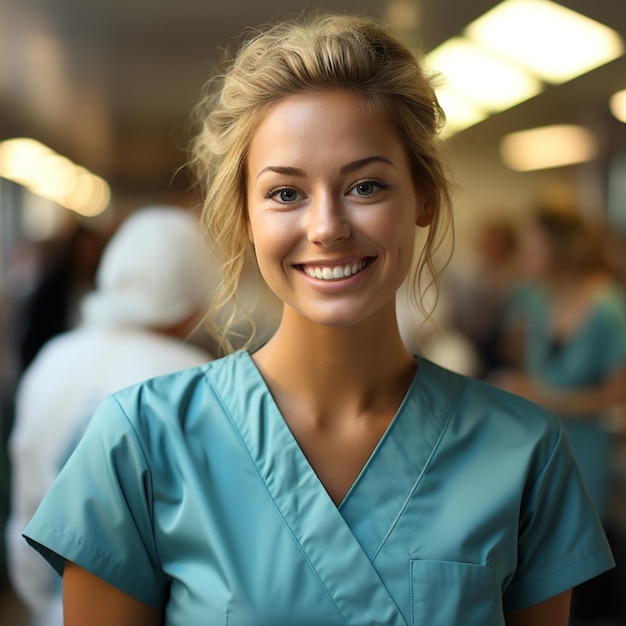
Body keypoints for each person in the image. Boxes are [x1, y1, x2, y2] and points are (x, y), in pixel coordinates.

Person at [21, 14, 613, 626]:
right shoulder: (142, 440)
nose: (327, 227)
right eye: (285, 193)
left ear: (425, 197)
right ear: (245, 216)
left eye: (366, 187)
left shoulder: (522, 449)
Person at [7, 205, 214, 626]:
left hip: (50, 605)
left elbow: (26, 507)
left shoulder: (53, 359)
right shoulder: (194, 378)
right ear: (197, 291)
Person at [491, 204, 626, 623]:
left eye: (532, 246)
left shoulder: (606, 307)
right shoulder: (534, 300)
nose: (525, 256)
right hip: (541, 444)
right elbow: (518, 359)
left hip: (586, 447)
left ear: (559, 249)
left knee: (580, 558)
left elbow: (616, 394)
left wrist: (543, 394)